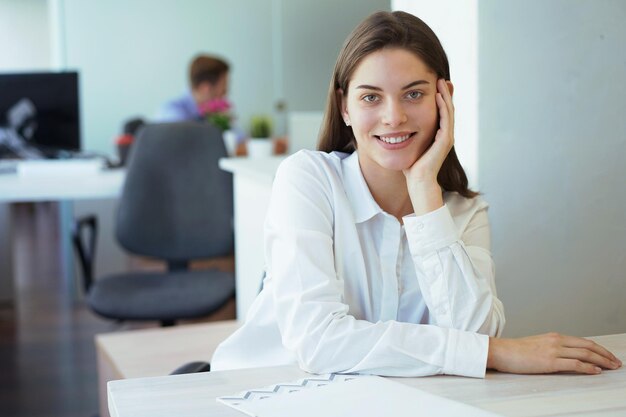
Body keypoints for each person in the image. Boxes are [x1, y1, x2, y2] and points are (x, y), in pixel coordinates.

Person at [211, 11, 621, 377]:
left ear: (444, 99)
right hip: (265, 390)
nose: (394, 116)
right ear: (345, 107)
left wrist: (425, 193)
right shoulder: (307, 179)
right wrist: (495, 353)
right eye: (371, 96)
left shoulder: (465, 211)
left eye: (414, 93)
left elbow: (472, 335)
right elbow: (319, 342)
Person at [155, 54, 229, 122]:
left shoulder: (209, 114)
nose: (225, 94)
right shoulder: (172, 113)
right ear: (205, 88)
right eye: (223, 88)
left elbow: (237, 135)